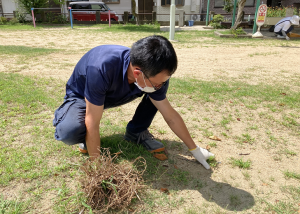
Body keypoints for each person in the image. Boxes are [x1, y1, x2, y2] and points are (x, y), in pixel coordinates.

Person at [53, 35, 214, 169]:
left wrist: (194, 149)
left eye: (164, 82)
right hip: (83, 96)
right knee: (69, 131)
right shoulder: (101, 68)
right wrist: (98, 168)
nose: (161, 86)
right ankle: (85, 138)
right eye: (158, 83)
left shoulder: (152, 75)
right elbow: (92, 121)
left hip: (118, 92)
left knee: (156, 95)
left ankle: (136, 131)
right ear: (137, 73)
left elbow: (170, 115)